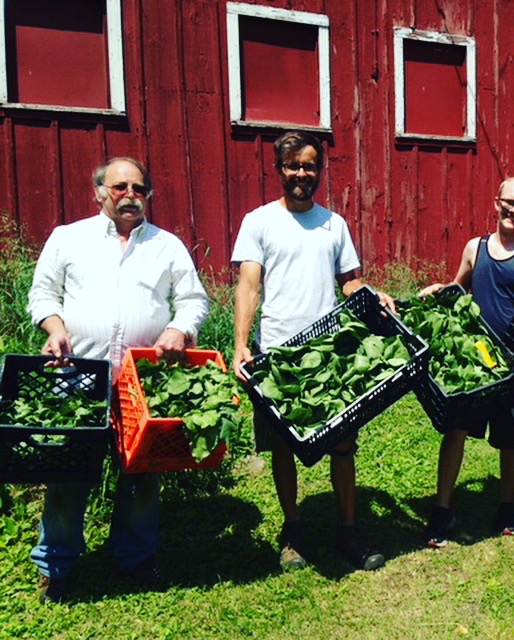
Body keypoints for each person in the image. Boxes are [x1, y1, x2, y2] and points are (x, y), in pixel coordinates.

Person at [27, 157, 210, 603]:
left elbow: (193, 300)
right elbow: (43, 294)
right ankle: (57, 565)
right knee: (68, 476)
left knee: (143, 475)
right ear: (98, 193)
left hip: (142, 380)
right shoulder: (68, 238)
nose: (130, 195)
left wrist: (179, 329)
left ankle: (136, 557)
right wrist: (55, 328)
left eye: (139, 188)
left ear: (149, 195)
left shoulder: (167, 246)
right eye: (120, 187)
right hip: (76, 375)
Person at [232, 130, 394, 572]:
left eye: (309, 166)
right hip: (277, 355)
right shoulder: (259, 221)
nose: (302, 173)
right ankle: (294, 529)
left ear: (320, 170)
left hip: (329, 352)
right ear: (279, 169)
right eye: (293, 166)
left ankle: (348, 529)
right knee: (283, 446)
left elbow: (350, 282)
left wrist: (373, 295)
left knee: (343, 441)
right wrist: (242, 343)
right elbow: (249, 285)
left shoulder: (333, 224)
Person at [418, 176, 514, 548]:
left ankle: (507, 506)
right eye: (509, 202)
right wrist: (440, 290)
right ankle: (442, 508)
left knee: (511, 439)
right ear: (497, 202)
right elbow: (459, 286)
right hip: (473, 361)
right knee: (455, 430)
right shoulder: (475, 247)